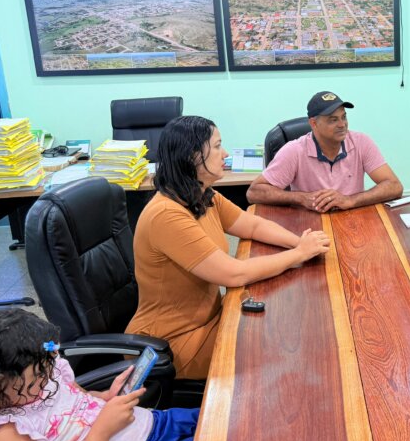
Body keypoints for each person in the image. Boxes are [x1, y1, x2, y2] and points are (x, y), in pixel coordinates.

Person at [125, 115, 331, 380]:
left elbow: (252, 225)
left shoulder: (201, 196)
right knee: (279, 347)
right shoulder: (166, 215)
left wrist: (300, 242)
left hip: (211, 317)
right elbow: (234, 274)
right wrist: (298, 254)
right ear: (192, 156)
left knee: (287, 325)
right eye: (217, 146)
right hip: (172, 342)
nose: (225, 153)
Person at [0, 308, 198, 441]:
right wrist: (101, 431)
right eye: (39, 373)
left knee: (217, 418)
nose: (49, 373)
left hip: (154, 424)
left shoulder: (45, 373)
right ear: (0, 382)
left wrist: (106, 396)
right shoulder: (4, 437)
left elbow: (78, 399)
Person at [247, 91, 403, 212]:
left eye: (344, 117)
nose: (342, 124)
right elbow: (254, 192)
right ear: (314, 123)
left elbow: (394, 186)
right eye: (333, 120)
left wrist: (350, 200)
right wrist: (302, 198)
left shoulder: (361, 142)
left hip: (353, 219)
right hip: (308, 224)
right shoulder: (294, 150)